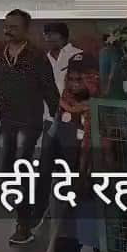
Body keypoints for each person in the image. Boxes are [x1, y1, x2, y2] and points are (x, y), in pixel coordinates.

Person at [0, 9, 59, 246]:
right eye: (6, 26)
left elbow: (49, 89)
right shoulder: (0, 54)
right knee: (6, 170)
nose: (8, 31)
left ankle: (23, 224)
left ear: (26, 29)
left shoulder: (36, 56)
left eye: (13, 27)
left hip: (30, 122)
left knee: (21, 168)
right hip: (7, 121)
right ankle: (36, 202)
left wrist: (59, 119)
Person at [51, 53, 103, 252]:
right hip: (69, 188)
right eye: (71, 78)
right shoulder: (65, 106)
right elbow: (55, 144)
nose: (74, 84)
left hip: (99, 190)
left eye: (81, 79)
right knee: (65, 243)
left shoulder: (106, 108)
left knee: (104, 247)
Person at [37, 22, 82, 227]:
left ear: (62, 36)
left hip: (72, 120)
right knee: (46, 165)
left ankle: (70, 205)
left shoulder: (77, 56)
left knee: (70, 164)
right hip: (50, 120)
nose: (47, 38)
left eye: (51, 34)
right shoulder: (43, 60)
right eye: (45, 35)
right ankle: (47, 207)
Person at [99, 33, 127, 99]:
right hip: (112, 84)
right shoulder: (111, 51)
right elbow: (112, 69)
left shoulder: (104, 51)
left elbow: (110, 70)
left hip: (110, 84)